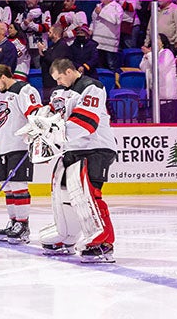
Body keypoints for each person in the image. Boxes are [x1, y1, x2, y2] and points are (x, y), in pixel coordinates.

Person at [38, 58, 117, 263]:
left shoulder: (92, 87)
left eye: (59, 78)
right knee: (63, 193)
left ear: (69, 71)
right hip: (71, 149)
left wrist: (55, 132)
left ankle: (103, 242)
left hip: (95, 148)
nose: (58, 83)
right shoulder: (58, 93)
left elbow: (86, 122)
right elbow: (52, 117)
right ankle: (67, 236)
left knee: (88, 194)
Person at [0, 64, 38, 244]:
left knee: (18, 186)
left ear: (3, 76)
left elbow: (35, 115)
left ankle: (23, 225)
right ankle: (14, 221)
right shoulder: (0, 96)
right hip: (3, 148)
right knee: (7, 187)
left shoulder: (24, 90)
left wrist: (34, 137)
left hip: (19, 146)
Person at [140, 33, 177, 123]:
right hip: (155, 94)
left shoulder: (167, 53)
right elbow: (143, 68)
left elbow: (159, 68)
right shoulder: (153, 55)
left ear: (162, 43)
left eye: (157, 39)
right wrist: (146, 56)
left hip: (166, 96)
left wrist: (150, 54)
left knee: (167, 120)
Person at [14, 0, 51, 69]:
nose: (28, 0)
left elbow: (47, 27)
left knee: (39, 67)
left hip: (39, 46)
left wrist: (31, 24)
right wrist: (25, 23)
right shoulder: (23, 12)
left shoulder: (44, 12)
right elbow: (17, 27)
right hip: (25, 46)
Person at [38, 24, 71, 99]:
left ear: (55, 34)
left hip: (55, 82)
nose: (48, 34)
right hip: (47, 80)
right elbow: (45, 60)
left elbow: (54, 61)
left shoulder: (62, 45)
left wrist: (44, 50)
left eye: (50, 32)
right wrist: (41, 53)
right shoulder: (53, 46)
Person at [90, 0, 123, 71]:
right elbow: (94, 20)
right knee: (99, 67)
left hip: (109, 43)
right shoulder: (99, 6)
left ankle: (113, 81)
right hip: (97, 41)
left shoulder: (117, 7)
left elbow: (116, 20)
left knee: (111, 67)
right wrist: (91, 29)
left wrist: (101, 12)